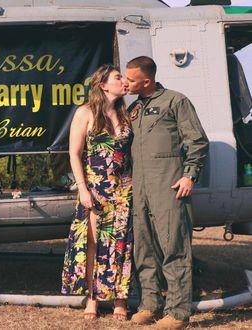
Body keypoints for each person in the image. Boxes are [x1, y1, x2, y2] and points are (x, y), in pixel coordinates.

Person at [125, 56, 209, 329]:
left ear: (146, 81)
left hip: (169, 187)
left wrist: (189, 175)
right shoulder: (134, 108)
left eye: (131, 79)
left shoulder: (175, 101)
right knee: (144, 249)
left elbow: (197, 140)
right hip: (140, 189)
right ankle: (149, 305)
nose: (126, 83)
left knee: (174, 248)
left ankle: (178, 312)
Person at [61, 64, 133, 321]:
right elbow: (74, 153)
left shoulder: (127, 114)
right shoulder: (86, 112)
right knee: (94, 243)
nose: (124, 81)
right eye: (118, 77)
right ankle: (92, 298)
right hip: (95, 188)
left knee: (121, 244)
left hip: (124, 188)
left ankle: (119, 299)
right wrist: (82, 189)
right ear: (103, 85)